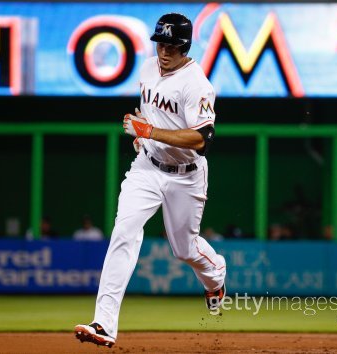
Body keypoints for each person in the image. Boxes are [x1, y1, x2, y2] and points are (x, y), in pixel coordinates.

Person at [74, 13, 226, 348]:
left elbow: (203, 139)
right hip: (146, 168)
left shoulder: (197, 84)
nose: (165, 50)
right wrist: (144, 134)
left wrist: (150, 131)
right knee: (123, 232)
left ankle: (215, 276)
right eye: (161, 43)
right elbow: (149, 112)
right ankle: (104, 324)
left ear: (185, 46)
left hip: (185, 177)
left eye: (172, 45)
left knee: (184, 250)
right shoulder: (146, 68)